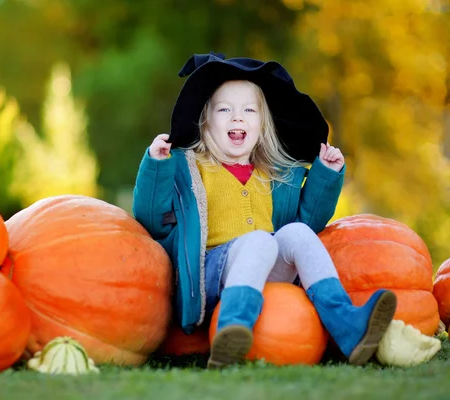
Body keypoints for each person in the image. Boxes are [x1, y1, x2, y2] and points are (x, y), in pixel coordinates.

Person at [132, 52, 397, 369]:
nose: (237, 117)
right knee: (260, 240)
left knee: (294, 233)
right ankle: (231, 328)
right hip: (210, 277)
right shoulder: (190, 169)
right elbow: (151, 218)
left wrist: (325, 176)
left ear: (262, 124)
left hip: (265, 264)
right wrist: (157, 165)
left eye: (248, 110)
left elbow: (309, 222)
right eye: (224, 110)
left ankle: (348, 327)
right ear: (206, 121)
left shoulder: (274, 177)